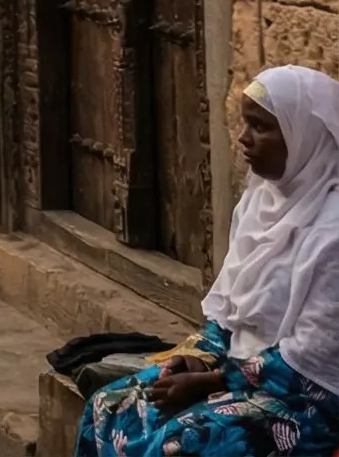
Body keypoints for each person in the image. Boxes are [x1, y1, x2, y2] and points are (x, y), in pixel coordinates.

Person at [76, 67, 339, 457]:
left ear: (306, 137)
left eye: (261, 127)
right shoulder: (260, 202)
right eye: (244, 123)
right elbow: (231, 312)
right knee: (109, 406)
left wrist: (215, 381)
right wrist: (197, 357)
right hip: (238, 371)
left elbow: (313, 360)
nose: (243, 138)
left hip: (308, 399)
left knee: (182, 443)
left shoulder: (331, 232)